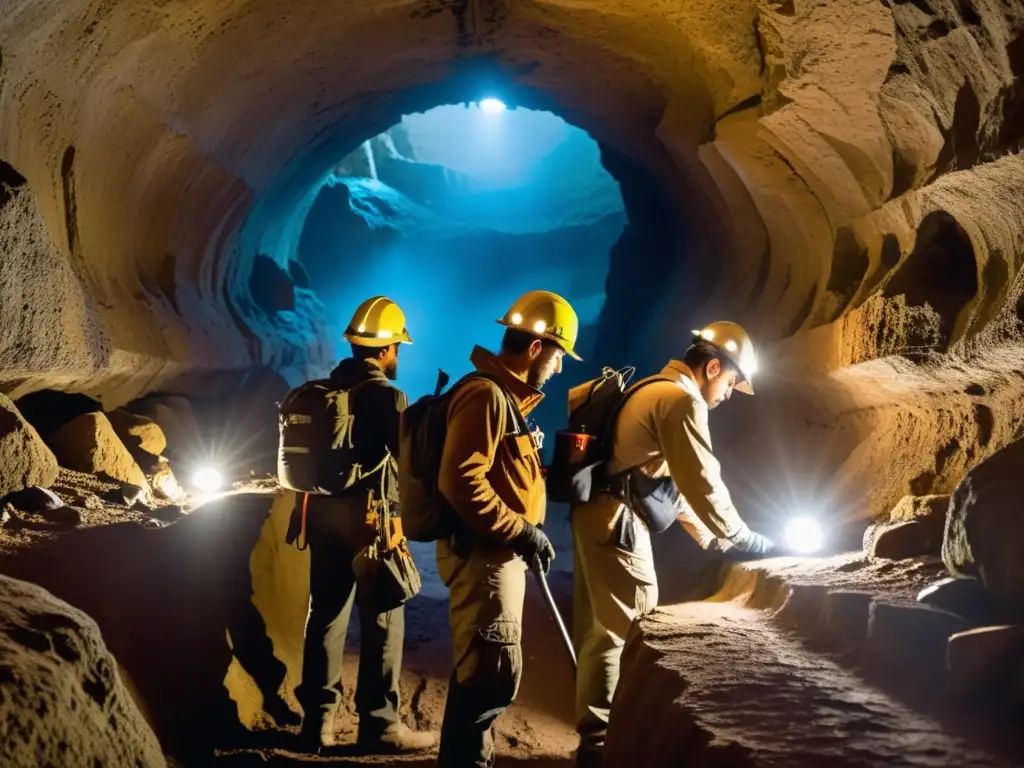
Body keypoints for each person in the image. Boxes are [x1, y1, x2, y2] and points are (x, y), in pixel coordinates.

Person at [570, 321, 776, 767]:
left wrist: (710, 539)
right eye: (731, 383)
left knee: (602, 632)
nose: (727, 395)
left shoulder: (653, 387)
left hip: (600, 514)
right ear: (713, 367)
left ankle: (594, 741)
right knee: (625, 633)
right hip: (618, 523)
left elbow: (666, 482)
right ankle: (603, 747)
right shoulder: (682, 400)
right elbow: (701, 479)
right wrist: (744, 538)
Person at [434, 290, 581, 768]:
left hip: (496, 553)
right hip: (485, 555)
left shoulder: (506, 401)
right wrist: (522, 531)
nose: (559, 369)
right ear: (536, 348)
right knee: (491, 674)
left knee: (483, 670)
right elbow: (461, 480)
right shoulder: (485, 395)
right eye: (558, 356)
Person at [294, 296, 436, 755]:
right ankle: (379, 724)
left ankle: (316, 724)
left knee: (326, 618)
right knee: (384, 619)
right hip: (370, 520)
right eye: (398, 347)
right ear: (387, 348)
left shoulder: (321, 390)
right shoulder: (387, 396)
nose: (398, 355)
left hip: (319, 515)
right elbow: (406, 461)